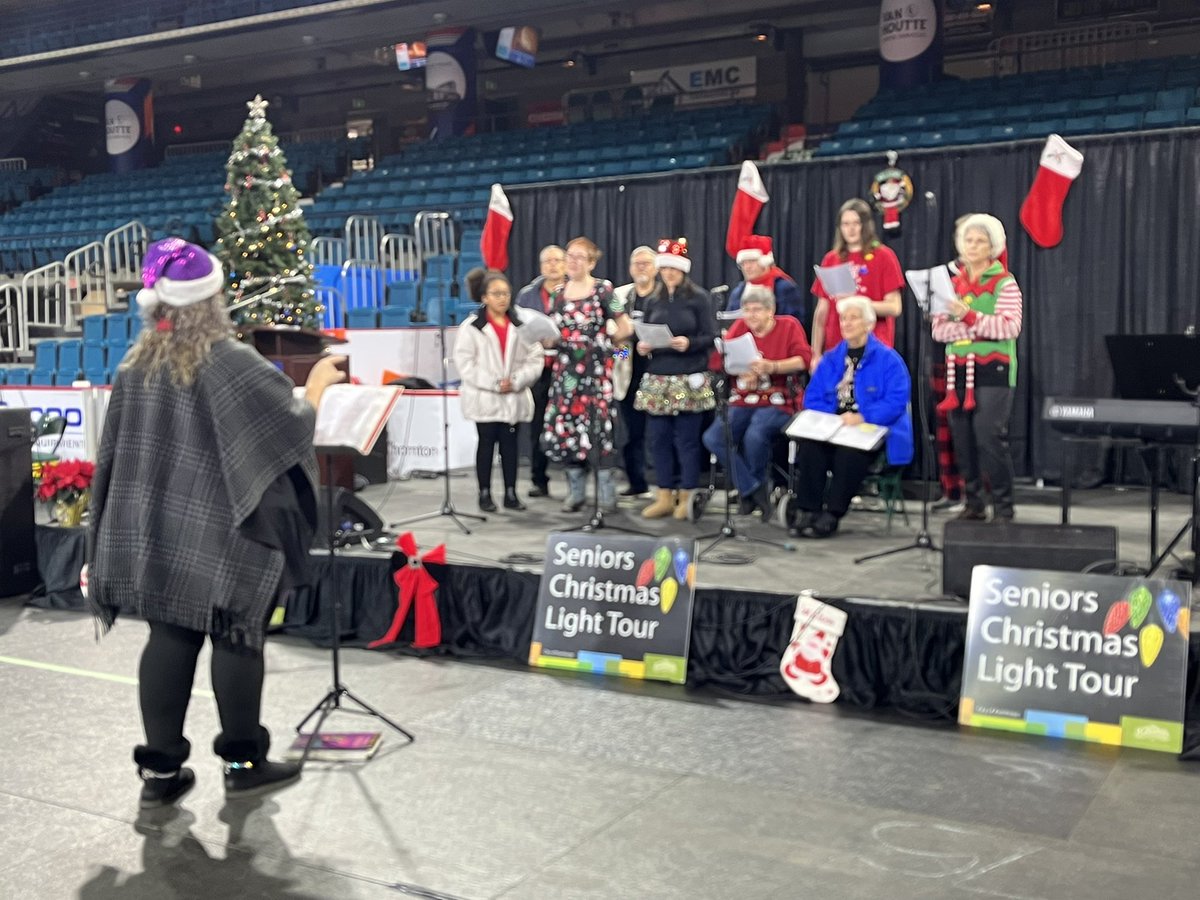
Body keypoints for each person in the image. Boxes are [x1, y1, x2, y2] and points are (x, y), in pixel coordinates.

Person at [86, 237, 346, 808]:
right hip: (225, 533)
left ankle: (160, 776)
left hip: (157, 534)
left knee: (168, 637)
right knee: (236, 634)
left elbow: (116, 460)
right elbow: (292, 425)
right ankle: (243, 762)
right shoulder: (231, 362)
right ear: (211, 300)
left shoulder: (134, 365)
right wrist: (320, 384)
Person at [791, 295, 913, 538]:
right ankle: (809, 509)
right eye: (844, 319)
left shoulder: (889, 360)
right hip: (834, 424)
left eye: (853, 318)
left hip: (870, 426)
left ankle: (833, 514)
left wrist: (863, 416)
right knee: (810, 447)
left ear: (868, 324)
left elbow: (896, 401)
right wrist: (831, 417)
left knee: (850, 453)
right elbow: (812, 397)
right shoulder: (831, 359)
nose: (846, 323)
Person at [931, 213, 1023, 522]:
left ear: (993, 246)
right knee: (963, 438)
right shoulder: (952, 284)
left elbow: (1010, 326)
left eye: (980, 240)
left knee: (988, 436)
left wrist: (969, 319)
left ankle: (1004, 506)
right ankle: (973, 503)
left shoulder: (1004, 282)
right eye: (968, 240)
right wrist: (978, 328)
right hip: (958, 369)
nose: (972, 246)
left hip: (993, 370)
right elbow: (939, 331)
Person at [541, 236, 634, 512]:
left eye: (580, 256)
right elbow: (551, 333)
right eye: (570, 255)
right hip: (566, 375)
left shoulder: (603, 290)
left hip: (596, 375)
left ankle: (606, 495)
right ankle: (576, 493)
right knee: (568, 429)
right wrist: (547, 341)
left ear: (592, 262)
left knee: (599, 431)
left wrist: (612, 349)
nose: (572, 260)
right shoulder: (558, 294)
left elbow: (625, 328)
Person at [702, 285, 811, 516]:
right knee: (714, 437)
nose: (750, 315)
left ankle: (752, 493)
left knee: (756, 434)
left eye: (756, 310)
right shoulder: (740, 327)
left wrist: (772, 366)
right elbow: (719, 362)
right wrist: (740, 372)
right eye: (746, 310)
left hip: (779, 398)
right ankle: (751, 487)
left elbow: (804, 360)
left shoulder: (789, 325)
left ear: (771, 310)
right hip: (744, 398)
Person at [634, 238, 716, 520]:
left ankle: (687, 495)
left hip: (687, 376)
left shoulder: (699, 298)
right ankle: (664, 494)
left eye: (674, 268)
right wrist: (641, 346)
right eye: (664, 268)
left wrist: (688, 343)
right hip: (658, 376)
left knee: (687, 439)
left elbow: (711, 337)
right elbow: (639, 333)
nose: (669, 273)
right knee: (658, 439)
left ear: (683, 270)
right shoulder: (652, 300)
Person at [454, 271, 544, 512]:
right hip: (486, 397)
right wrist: (494, 383)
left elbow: (536, 358)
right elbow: (465, 364)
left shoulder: (521, 325)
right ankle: (484, 493)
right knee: (486, 445)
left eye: (505, 293)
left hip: (513, 396)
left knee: (510, 447)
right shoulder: (472, 327)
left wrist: (515, 381)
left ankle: (511, 493)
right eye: (496, 294)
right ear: (484, 297)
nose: (502, 299)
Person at [810, 198, 904, 369]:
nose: (851, 229)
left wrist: (857, 301)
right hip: (836, 349)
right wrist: (816, 353)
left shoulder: (884, 256)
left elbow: (894, 307)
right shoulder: (831, 259)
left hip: (872, 348)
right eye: (845, 224)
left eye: (856, 223)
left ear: (866, 225)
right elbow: (821, 312)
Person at [515, 244, 567, 498]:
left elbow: (615, 345)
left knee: (569, 425)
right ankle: (539, 479)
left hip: (569, 369)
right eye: (547, 261)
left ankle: (576, 484)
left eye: (558, 260)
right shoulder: (527, 295)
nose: (553, 265)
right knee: (537, 427)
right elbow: (517, 330)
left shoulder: (577, 292)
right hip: (538, 369)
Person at [612, 245, 659, 498]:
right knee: (632, 432)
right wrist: (623, 348)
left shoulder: (665, 295)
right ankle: (636, 482)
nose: (641, 267)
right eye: (636, 263)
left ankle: (666, 485)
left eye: (646, 263)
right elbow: (614, 343)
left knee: (661, 432)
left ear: (656, 268)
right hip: (629, 373)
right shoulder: (619, 296)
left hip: (660, 371)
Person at [724, 235, 806, 327]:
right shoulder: (738, 292)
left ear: (765, 261)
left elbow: (794, 325)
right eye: (743, 263)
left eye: (752, 261)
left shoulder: (784, 288)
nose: (747, 267)